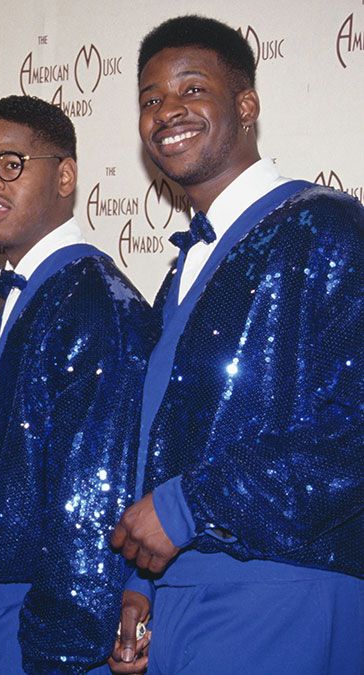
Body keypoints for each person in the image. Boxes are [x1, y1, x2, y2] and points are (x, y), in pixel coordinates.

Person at [109, 15, 363, 674]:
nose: (166, 111)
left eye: (191, 89)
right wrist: (142, 584)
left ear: (246, 105)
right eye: (150, 99)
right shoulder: (185, 266)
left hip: (287, 588)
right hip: (186, 595)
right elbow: (176, 435)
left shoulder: (327, 226)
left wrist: (194, 503)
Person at [0, 95, 154, 674]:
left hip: (54, 633)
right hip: (6, 616)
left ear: (65, 176)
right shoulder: (36, 292)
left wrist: (58, 651)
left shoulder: (93, 299)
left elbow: (93, 499)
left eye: (11, 163)